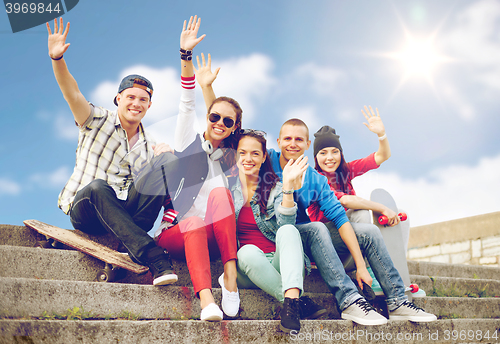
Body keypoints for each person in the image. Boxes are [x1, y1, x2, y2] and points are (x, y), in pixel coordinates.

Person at [48, 18, 178, 286]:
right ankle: (153, 256)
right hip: (85, 208)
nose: (136, 103)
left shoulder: (147, 142)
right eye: (131, 97)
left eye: (143, 99)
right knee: (98, 187)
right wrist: (58, 58)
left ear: (149, 106)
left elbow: (148, 194)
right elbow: (71, 94)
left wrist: (167, 158)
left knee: (169, 160)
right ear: (119, 98)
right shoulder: (96, 119)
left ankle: (133, 241)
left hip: (123, 213)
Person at [154, 16, 241, 322]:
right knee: (191, 221)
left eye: (227, 122)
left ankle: (229, 278)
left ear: (233, 129)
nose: (219, 124)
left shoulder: (231, 161)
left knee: (220, 193)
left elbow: (239, 139)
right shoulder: (187, 142)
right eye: (214, 117)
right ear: (208, 117)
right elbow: (188, 103)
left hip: (217, 239)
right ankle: (206, 300)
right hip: (178, 233)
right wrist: (185, 57)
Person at [230, 129, 326, 333]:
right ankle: (296, 301)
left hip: (283, 264)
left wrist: (288, 188)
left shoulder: (276, 187)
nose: (248, 158)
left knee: (289, 231)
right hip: (248, 268)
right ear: (235, 156)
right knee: (246, 252)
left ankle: (290, 304)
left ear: (264, 156)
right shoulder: (226, 191)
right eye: (243, 153)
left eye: (255, 153)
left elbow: (286, 223)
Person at [308, 106, 412, 294]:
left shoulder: (346, 170)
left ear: (341, 153)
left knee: (397, 217)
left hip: (351, 247)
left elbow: (383, 156)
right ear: (316, 157)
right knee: (361, 211)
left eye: (334, 151)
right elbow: (345, 201)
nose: (330, 158)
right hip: (330, 248)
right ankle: (371, 268)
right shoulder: (315, 178)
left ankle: (393, 269)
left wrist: (382, 135)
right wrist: (380, 207)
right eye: (323, 153)